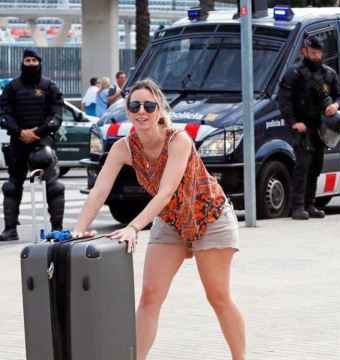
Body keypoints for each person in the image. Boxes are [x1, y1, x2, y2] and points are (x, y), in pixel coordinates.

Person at [72, 79, 245, 360]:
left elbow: (165, 192)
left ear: (160, 110)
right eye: (135, 106)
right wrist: (80, 228)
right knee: (150, 297)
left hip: (210, 217)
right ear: (127, 110)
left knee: (218, 297)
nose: (142, 111)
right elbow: (100, 189)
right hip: (171, 221)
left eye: (149, 106)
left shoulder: (179, 140)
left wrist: (133, 227)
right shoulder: (123, 148)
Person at [0, 48, 65, 242]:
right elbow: (3, 113)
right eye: (27, 60)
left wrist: (37, 132)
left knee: (54, 187)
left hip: (42, 141)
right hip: (18, 141)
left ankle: (57, 228)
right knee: (12, 186)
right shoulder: (12, 87)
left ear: (39, 63)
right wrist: (19, 132)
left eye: (34, 60)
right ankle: (10, 229)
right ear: (22, 62)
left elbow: (56, 116)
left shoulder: (49, 86)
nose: (30, 64)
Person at [278, 35, 340, 220]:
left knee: (316, 165)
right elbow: (284, 101)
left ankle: (310, 204)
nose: (316, 56)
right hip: (302, 125)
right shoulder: (294, 74)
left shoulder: (328, 74)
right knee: (302, 166)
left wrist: (336, 106)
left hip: (322, 126)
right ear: (304, 52)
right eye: (313, 53)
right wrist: (293, 123)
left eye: (318, 53)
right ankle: (297, 206)